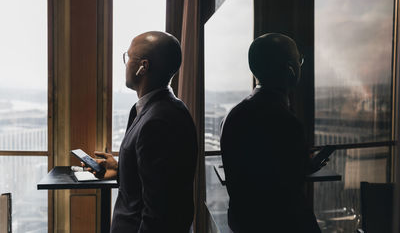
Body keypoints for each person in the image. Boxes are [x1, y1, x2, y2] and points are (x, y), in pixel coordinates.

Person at [86, 31, 198, 233]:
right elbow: (157, 181)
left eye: (128, 57)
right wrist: (121, 169)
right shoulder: (164, 109)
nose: (126, 63)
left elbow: (160, 213)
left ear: (143, 66)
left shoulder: (159, 121)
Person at [220, 33, 321, 233]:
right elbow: (286, 188)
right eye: (299, 61)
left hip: (244, 223)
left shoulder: (234, 114)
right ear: (290, 70)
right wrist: (304, 165)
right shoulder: (284, 120)